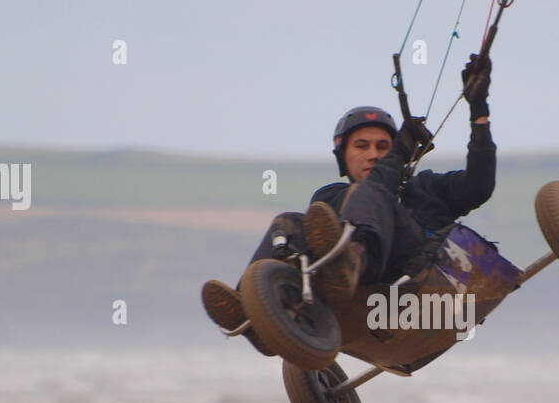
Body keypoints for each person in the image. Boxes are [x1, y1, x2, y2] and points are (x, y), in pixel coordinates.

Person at [201, 52, 495, 339]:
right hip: (355, 293)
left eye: (383, 147)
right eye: (362, 146)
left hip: (413, 278)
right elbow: (370, 192)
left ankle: (353, 261)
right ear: (344, 157)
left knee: (373, 196)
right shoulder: (332, 195)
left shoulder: (426, 187)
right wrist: (398, 153)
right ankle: (250, 310)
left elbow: (479, 186)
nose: (373, 155)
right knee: (287, 223)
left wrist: (478, 110)